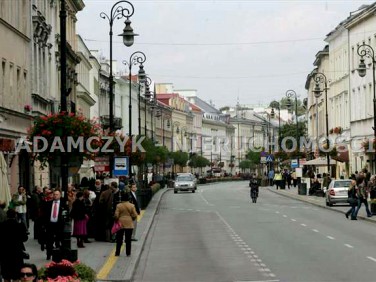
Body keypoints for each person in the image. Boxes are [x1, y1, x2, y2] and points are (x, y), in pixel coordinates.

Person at [0, 209, 28, 282]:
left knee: (6, 275)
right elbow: (25, 238)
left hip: (5, 253)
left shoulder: (2, 225)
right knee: (16, 275)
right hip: (17, 252)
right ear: (15, 215)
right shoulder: (20, 225)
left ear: (7, 215)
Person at [114, 192, 138, 257]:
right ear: (128, 198)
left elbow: (116, 215)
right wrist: (131, 218)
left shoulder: (118, 205)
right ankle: (128, 253)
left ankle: (117, 252)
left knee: (119, 238)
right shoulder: (132, 205)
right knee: (128, 239)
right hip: (129, 223)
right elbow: (135, 215)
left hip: (120, 223)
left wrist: (117, 219)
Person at [42, 190, 64, 260]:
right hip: (50, 224)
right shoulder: (48, 203)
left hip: (58, 225)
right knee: (49, 241)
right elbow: (45, 215)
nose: (55, 196)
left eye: (57, 194)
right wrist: (44, 224)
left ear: (60, 195)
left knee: (58, 240)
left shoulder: (63, 204)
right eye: (54, 194)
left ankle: (58, 255)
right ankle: (49, 254)